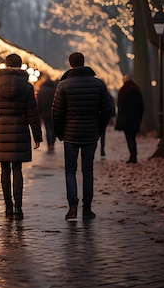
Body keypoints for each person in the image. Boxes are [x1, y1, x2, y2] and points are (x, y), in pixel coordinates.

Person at [52, 52, 113, 220]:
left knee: (70, 171)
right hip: (90, 134)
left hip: (70, 135)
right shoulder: (99, 84)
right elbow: (107, 111)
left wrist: (59, 133)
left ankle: (72, 208)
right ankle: (87, 208)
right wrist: (99, 129)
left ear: (70, 65)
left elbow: (56, 113)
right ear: (84, 63)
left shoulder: (63, 85)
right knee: (88, 171)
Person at [0, 54, 42, 220]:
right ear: (20, 66)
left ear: (6, 65)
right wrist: (37, 135)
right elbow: (32, 113)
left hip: (1, 128)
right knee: (17, 169)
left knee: (4, 169)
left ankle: (8, 207)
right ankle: (19, 208)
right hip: (20, 127)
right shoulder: (27, 87)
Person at [115, 75, 144, 163]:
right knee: (133, 137)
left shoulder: (123, 90)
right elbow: (141, 105)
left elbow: (119, 104)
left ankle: (132, 155)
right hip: (135, 117)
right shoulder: (137, 89)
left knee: (129, 137)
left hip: (126, 118)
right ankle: (134, 155)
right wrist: (140, 116)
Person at [36, 77, 57, 152]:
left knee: (48, 129)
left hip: (45, 113)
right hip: (53, 113)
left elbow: (39, 103)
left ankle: (49, 144)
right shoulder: (54, 90)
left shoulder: (41, 91)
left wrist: (40, 112)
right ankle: (52, 142)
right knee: (53, 129)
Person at [100, 93, 116, 157]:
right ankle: (102, 150)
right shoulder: (108, 96)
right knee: (102, 135)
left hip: (96, 118)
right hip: (102, 118)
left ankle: (100, 150)